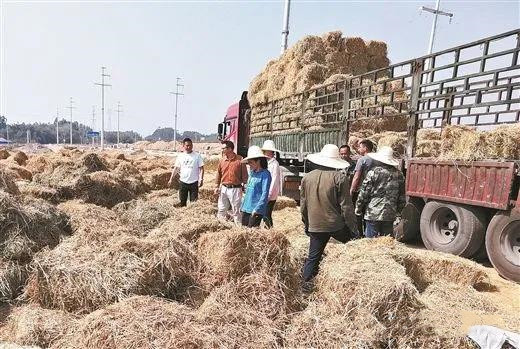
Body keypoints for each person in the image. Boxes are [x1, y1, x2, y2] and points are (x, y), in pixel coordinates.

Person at [300, 144, 357, 289]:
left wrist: (307, 223)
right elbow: (346, 206)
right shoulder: (339, 177)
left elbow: (303, 205)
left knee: (313, 257)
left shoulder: (307, 178)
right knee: (353, 249)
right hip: (334, 224)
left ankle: (305, 284)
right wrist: (353, 229)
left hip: (315, 224)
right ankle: (347, 279)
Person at [355, 146, 406, 238]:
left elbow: (364, 192)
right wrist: (398, 212)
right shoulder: (399, 174)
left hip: (373, 212)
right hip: (390, 213)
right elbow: (402, 196)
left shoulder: (373, 173)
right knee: (386, 242)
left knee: (370, 243)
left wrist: (358, 208)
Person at [215, 140, 248, 225]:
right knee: (221, 209)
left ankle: (238, 229)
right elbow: (218, 174)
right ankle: (221, 226)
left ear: (230, 149)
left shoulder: (240, 160)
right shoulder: (222, 160)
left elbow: (245, 175)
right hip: (224, 188)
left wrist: (246, 187)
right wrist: (216, 186)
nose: (222, 150)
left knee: (236, 211)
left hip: (236, 189)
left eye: (223, 148)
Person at [240, 146, 272, 228]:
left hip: (255, 209)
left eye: (251, 162)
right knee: (243, 232)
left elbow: (265, 194)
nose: (249, 165)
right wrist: (242, 206)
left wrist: (257, 209)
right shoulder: (252, 173)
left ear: (258, 161)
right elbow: (248, 191)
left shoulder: (265, 174)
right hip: (246, 207)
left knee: (252, 234)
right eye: (248, 163)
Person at [168, 138, 204, 207]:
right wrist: (171, 179)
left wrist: (201, 179)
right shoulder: (180, 156)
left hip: (194, 183)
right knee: (182, 201)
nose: (189, 147)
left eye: (190, 145)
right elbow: (176, 168)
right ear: (183, 146)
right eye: (187, 145)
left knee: (193, 202)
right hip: (183, 182)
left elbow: (201, 168)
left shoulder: (197, 156)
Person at [350, 139, 375, 234]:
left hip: (361, 190)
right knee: (368, 213)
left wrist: (352, 190)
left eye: (360, 147)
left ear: (365, 148)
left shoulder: (362, 160)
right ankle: (369, 232)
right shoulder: (377, 159)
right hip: (373, 191)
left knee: (358, 212)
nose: (358, 149)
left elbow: (356, 177)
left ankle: (359, 233)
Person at [261, 140, 282, 228]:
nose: (266, 153)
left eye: (268, 151)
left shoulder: (274, 164)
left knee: (267, 214)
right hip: (264, 192)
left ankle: (270, 231)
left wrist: (268, 194)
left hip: (270, 194)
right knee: (263, 214)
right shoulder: (265, 162)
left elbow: (274, 180)